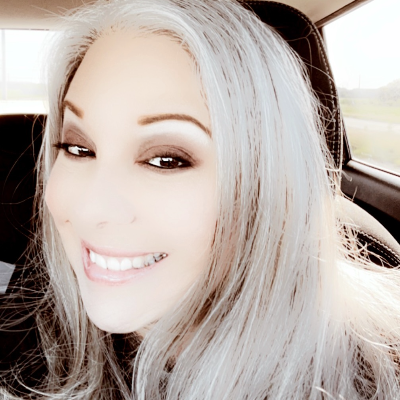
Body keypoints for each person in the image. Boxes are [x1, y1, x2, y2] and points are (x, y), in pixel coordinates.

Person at [1, 0, 400, 398]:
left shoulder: (379, 372)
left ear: (266, 184)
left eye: (166, 160)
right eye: (78, 148)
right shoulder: (27, 338)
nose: (90, 210)